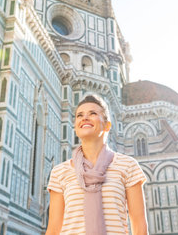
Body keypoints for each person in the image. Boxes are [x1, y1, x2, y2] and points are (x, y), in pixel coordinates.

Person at [46, 94, 148, 235]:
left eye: (93, 113)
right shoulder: (59, 172)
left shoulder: (128, 166)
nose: (84, 118)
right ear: (75, 126)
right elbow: (53, 229)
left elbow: (139, 225)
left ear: (107, 125)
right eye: (79, 115)